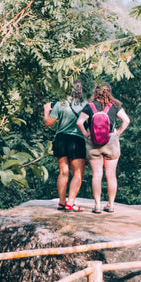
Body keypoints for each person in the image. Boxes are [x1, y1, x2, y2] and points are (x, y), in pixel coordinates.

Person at [77, 83, 131, 214]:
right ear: (109, 92)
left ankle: (97, 205)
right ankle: (111, 205)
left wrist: (86, 134)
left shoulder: (89, 106)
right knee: (111, 175)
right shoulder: (114, 105)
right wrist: (118, 133)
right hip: (111, 141)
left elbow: (79, 122)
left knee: (97, 175)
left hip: (93, 143)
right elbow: (126, 120)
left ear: (95, 92)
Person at [44, 81, 87, 211]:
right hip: (77, 140)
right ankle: (71, 203)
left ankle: (61, 203)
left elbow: (48, 123)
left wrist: (46, 110)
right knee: (77, 173)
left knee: (63, 172)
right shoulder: (85, 105)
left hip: (61, 139)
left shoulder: (60, 104)